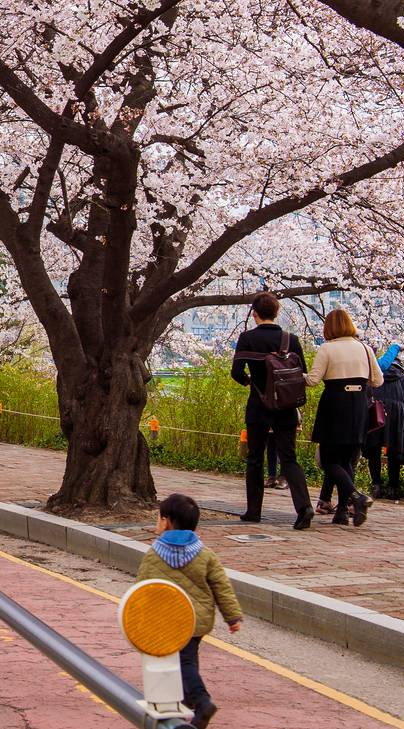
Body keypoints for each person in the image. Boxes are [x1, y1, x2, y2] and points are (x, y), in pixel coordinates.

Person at [137, 493, 242, 729]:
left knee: (182, 663)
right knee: (187, 659)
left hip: (167, 622)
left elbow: (142, 589)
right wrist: (232, 616)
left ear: (166, 522)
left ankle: (202, 701)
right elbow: (221, 586)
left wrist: (139, 619)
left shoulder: (154, 555)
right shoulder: (205, 554)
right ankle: (184, 700)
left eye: (158, 518)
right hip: (196, 619)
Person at [229, 292, 313, 528]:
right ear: (276, 313)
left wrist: (250, 382)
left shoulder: (247, 338)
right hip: (285, 407)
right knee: (289, 458)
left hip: (258, 405)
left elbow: (236, 373)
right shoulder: (290, 339)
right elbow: (300, 372)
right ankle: (304, 507)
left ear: (254, 313)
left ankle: (253, 510)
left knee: (255, 458)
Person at [305, 308, 382, 527]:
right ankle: (341, 512)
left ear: (329, 327)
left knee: (329, 460)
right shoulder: (365, 349)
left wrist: (293, 375)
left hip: (334, 403)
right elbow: (378, 381)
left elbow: (312, 380)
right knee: (347, 459)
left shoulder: (327, 349)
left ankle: (357, 497)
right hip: (358, 406)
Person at [364, 342, 404, 500]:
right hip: (396, 424)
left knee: (374, 451)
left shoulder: (374, 380)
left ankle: (376, 485)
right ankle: (393, 488)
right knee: (394, 452)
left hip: (376, 420)